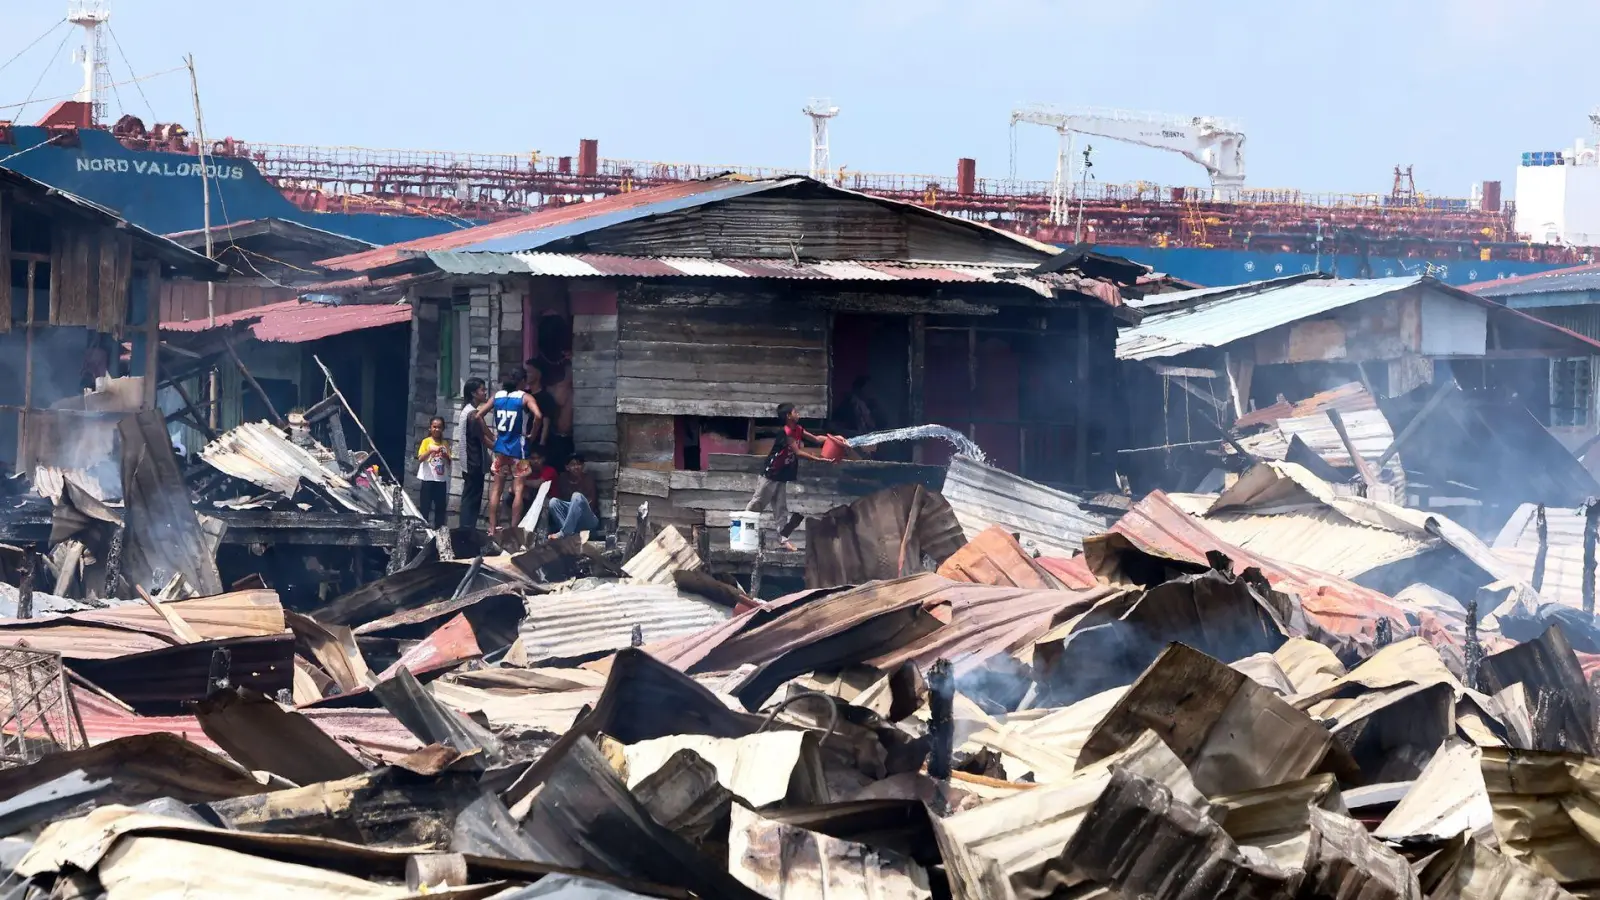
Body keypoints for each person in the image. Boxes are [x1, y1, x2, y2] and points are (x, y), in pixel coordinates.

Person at [745, 402, 839, 551]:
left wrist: (832, 439)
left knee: (781, 509)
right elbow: (798, 452)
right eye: (795, 412)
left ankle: (783, 540)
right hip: (771, 474)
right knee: (757, 503)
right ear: (789, 416)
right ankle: (743, 531)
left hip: (781, 475)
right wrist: (818, 459)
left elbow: (815, 439)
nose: (798, 414)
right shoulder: (787, 432)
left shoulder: (798, 429)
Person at [478, 371, 543, 534]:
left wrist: (491, 435)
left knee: (496, 490)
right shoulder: (525, 397)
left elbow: (478, 415)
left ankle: (492, 527)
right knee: (519, 490)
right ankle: (514, 529)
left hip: (501, 450)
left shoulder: (497, 396)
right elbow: (538, 415)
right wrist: (532, 434)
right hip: (519, 450)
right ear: (521, 381)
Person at [453, 378, 489, 531]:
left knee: (469, 496)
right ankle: (467, 529)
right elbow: (483, 438)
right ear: (474, 393)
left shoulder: (467, 410)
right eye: (482, 390)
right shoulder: (472, 415)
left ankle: (466, 528)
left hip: (468, 461)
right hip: (474, 461)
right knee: (472, 498)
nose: (485, 392)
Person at [548, 453, 601, 538]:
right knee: (553, 502)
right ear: (567, 467)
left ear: (583, 466)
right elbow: (561, 501)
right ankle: (568, 532)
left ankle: (564, 533)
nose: (576, 467)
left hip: (588, 520)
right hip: (571, 523)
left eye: (579, 464)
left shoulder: (588, 479)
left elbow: (591, 505)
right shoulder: (562, 478)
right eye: (573, 464)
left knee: (577, 497)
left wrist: (575, 510)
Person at [415, 416, 452, 528]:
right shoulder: (426, 442)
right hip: (427, 479)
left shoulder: (445, 443)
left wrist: (445, 454)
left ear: (443, 429)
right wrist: (430, 450)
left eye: (439, 427)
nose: (437, 429)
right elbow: (420, 458)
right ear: (430, 428)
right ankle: (423, 529)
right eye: (434, 427)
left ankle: (439, 530)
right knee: (425, 506)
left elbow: (449, 462)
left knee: (440, 508)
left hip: (440, 480)